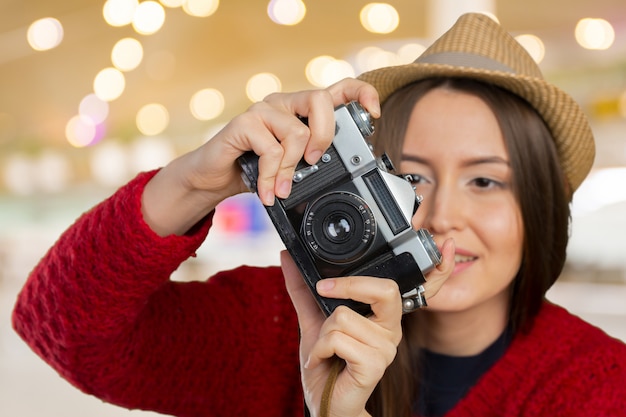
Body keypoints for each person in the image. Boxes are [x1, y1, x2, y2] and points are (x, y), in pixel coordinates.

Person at [12, 12, 626, 417]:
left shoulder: (599, 387)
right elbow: (64, 329)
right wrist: (194, 180)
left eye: (486, 180)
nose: (440, 214)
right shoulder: (281, 326)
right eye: (408, 177)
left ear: (538, 207)